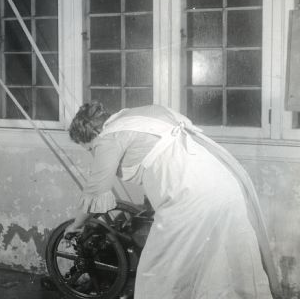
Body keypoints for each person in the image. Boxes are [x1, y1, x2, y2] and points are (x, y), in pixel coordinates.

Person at [66, 102, 280, 299]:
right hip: (223, 183)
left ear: (93, 133)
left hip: (190, 196)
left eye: (90, 149)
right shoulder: (136, 115)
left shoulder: (108, 138)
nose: (93, 154)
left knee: (159, 272)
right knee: (223, 264)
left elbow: (94, 191)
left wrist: (76, 225)